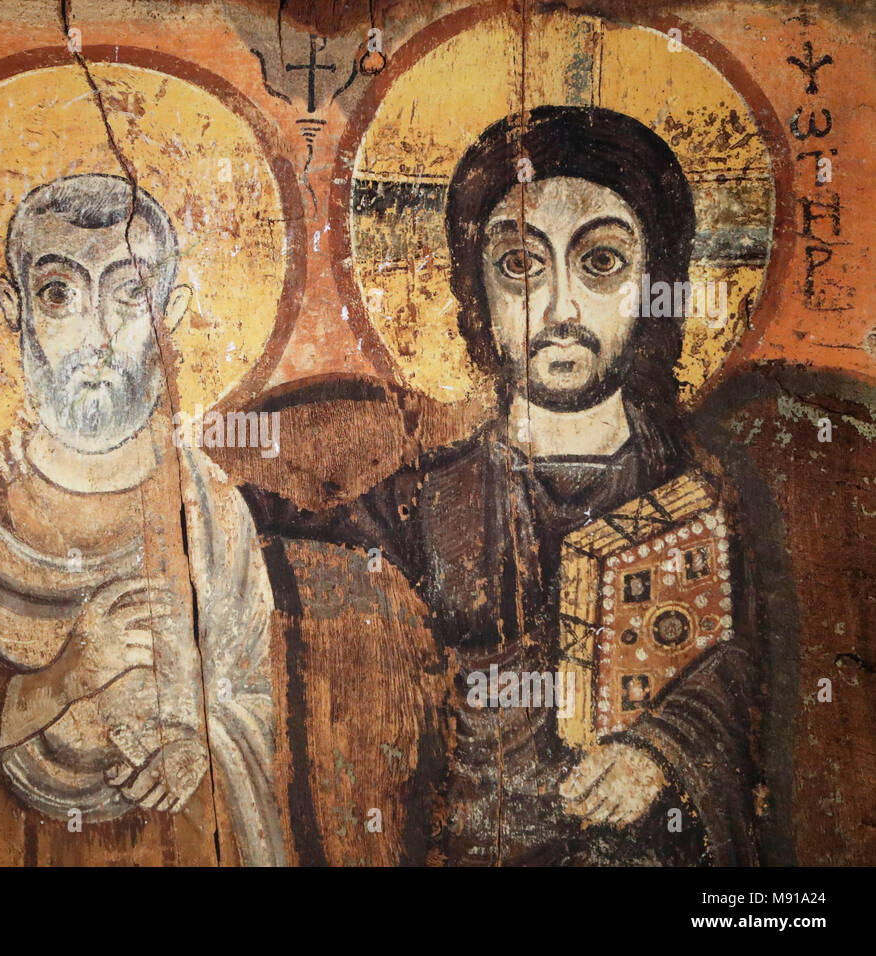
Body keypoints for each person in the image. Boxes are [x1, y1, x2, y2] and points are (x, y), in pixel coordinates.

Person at [246, 106, 769, 865]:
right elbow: (270, 528)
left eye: (601, 264)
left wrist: (658, 751)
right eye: (521, 266)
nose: (559, 309)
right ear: (476, 289)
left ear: (656, 280)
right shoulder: (426, 500)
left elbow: (743, 673)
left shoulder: (701, 492)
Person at [0, 174, 283, 865]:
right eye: (60, 294)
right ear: (13, 306)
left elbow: (251, 692)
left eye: (131, 293)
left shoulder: (210, 506)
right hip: (22, 841)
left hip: (184, 838)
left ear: (172, 308)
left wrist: (198, 741)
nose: (97, 336)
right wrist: (65, 679)